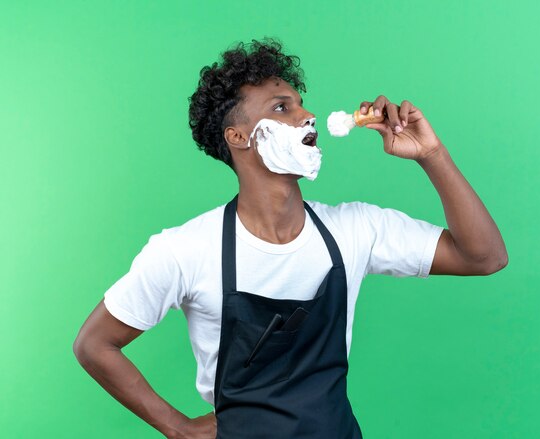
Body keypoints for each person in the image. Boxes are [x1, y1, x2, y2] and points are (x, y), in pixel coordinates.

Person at [73, 38, 508, 439]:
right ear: (238, 137)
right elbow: (94, 344)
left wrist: (431, 154)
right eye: (282, 109)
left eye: (302, 105)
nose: (307, 116)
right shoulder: (185, 250)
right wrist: (179, 428)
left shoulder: (355, 229)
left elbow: (484, 257)